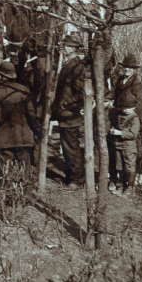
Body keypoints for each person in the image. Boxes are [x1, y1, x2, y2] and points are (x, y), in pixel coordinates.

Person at [0, 58, 37, 174]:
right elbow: (31, 114)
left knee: (4, 165)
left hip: (5, 135)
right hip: (22, 134)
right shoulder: (23, 90)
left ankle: (4, 189)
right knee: (24, 164)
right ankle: (25, 188)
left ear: (0, 76)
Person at [53, 45, 89, 187]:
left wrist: (64, 105)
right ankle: (71, 176)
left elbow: (80, 94)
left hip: (70, 115)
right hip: (65, 114)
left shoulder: (77, 67)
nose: (63, 48)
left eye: (66, 45)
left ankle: (77, 179)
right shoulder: (70, 64)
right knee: (67, 147)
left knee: (71, 148)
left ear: (72, 48)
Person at [110, 52, 142, 193]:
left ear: (134, 69)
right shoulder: (119, 80)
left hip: (131, 117)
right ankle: (120, 182)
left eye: (130, 68)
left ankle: (130, 185)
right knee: (119, 151)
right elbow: (115, 96)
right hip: (119, 115)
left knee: (130, 153)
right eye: (125, 67)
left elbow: (140, 102)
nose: (127, 70)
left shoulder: (136, 82)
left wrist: (133, 111)